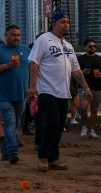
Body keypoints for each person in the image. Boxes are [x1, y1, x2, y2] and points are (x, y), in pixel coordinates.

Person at [28, 12, 93, 172]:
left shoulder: (68, 46)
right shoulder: (43, 39)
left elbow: (76, 71)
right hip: (47, 90)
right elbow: (34, 63)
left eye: (67, 22)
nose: (66, 25)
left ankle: (53, 158)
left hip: (64, 92)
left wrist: (86, 88)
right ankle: (43, 158)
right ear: (54, 23)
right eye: (62, 22)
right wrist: (32, 86)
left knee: (58, 126)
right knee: (51, 123)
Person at [0, 25, 31, 164]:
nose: (16, 38)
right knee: (10, 123)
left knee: (15, 124)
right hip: (3, 95)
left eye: (18, 35)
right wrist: (6, 66)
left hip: (22, 95)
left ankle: (5, 152)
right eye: (13, 35)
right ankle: (12, 152)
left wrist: (32, 88)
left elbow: (34, 67)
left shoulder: (25, 50)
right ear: (5, 35)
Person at [77, 39, 101, 139]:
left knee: (94, 110)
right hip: (84, 88)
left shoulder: (100, 59)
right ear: (85, 47)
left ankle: (92, 129)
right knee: (84, 108)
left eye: (94, 46)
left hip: (97, 87)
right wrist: (83, 72)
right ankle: (84, 127)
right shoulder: (80, 59)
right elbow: (75, 73)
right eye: (90, 46)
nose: (93, 48)